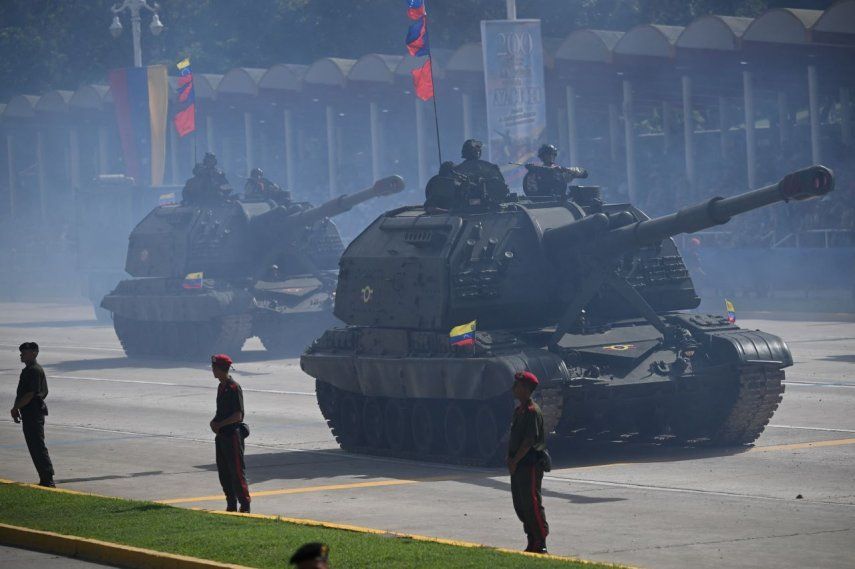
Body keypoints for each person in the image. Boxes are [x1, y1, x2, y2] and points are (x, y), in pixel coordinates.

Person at [507, 370, 549, 554]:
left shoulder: (532, 411)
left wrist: (515, 460)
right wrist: (511, 459)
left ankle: (540, 541)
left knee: (531, 503)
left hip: (529, 463)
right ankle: (531, 539)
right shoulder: (520, 411)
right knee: (521, 504)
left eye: (517, 385)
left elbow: (529, 441)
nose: (513, 388)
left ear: (525, 388)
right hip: (518, 464)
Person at [210, 353, 251, 513]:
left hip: (232, 435)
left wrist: (220, 424)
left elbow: (238, 415)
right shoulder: (221, 387)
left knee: (236, 471)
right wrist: (214, 422)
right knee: (224, 472)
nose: (213, 370)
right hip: (221, 435)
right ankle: (231, 503)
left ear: (221, 369)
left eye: (214, 368)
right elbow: (221, 412)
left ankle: (244, 504)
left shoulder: (234, 388)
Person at [11, 342, 54, 487]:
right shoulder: (28, 370)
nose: (21, 354)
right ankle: (45, 477)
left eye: (25, 352)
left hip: (33, 412)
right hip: (29, 411)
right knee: (34, 445)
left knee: (37, 446)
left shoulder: (34, 370)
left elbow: (30, 394)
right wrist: (17, 408)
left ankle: (47, 478)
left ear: (34, 353)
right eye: (21, 352)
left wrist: (15, 408)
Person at [454, 139, 509, 203]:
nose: (477, 151)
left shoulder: (458, 169)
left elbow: (500, 187)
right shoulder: (489, 167)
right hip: (464, 205)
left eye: (478, 149)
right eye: (475, 149)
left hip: (488, 204)